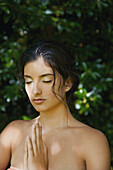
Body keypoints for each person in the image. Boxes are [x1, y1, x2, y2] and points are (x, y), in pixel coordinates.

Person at [0, 40, 110, 170]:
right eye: (28, 81)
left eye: (46, 80)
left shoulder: (92, 141)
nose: (35, 91)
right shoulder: (13, 133)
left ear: (67, 84)